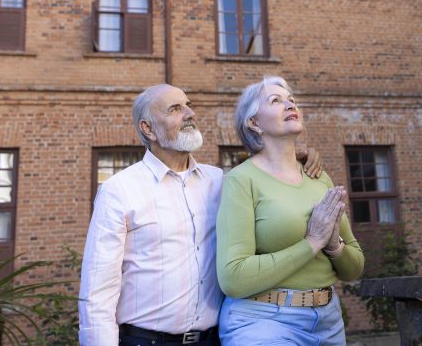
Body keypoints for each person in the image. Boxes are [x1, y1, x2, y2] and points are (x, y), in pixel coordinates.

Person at [78, 84, 322, 345]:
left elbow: (267, 187)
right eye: (175, 109)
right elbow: (98, 291)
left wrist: (292, 159)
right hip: (145, 340)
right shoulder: (119, 190)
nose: (190, 114)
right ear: (148, 129)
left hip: (214, 339)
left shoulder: (219, 181)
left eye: (188, 105)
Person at [216, 76, 364, 345]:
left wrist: (334, 246)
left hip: (329, 322)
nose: (289, 105)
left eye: (291, 100)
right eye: (275, 101)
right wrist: (312, 242)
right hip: (264, 322)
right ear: (254, 122)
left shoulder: (319, 177)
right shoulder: (241, 180)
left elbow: (354, 269)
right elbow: (233, 277)